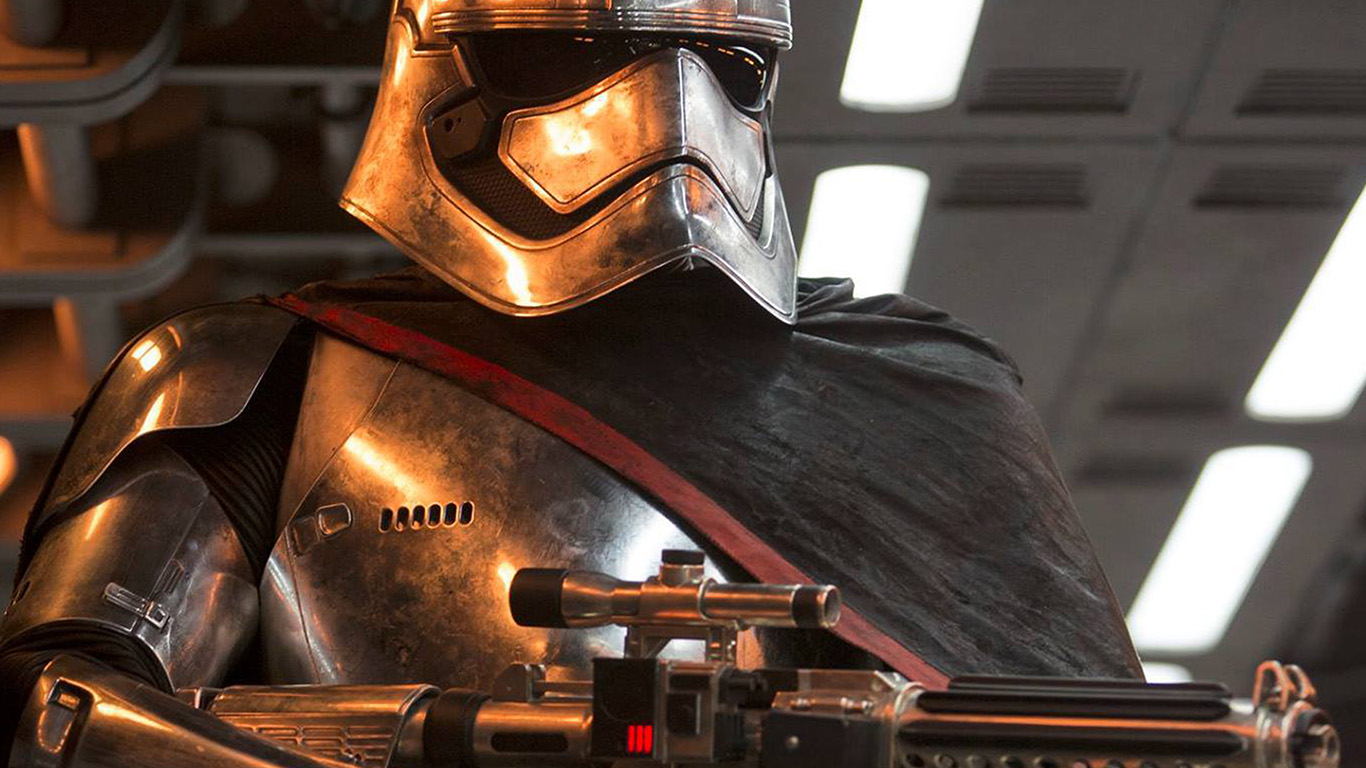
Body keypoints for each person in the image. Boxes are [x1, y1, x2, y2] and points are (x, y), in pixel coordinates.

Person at [0, 2, 1141, 766]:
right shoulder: (257, 375)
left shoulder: (917, 397)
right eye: (573, 55)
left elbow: (1080, 743)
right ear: (440, 65)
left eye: (726, 63)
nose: (668, 113)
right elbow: (59, 717)